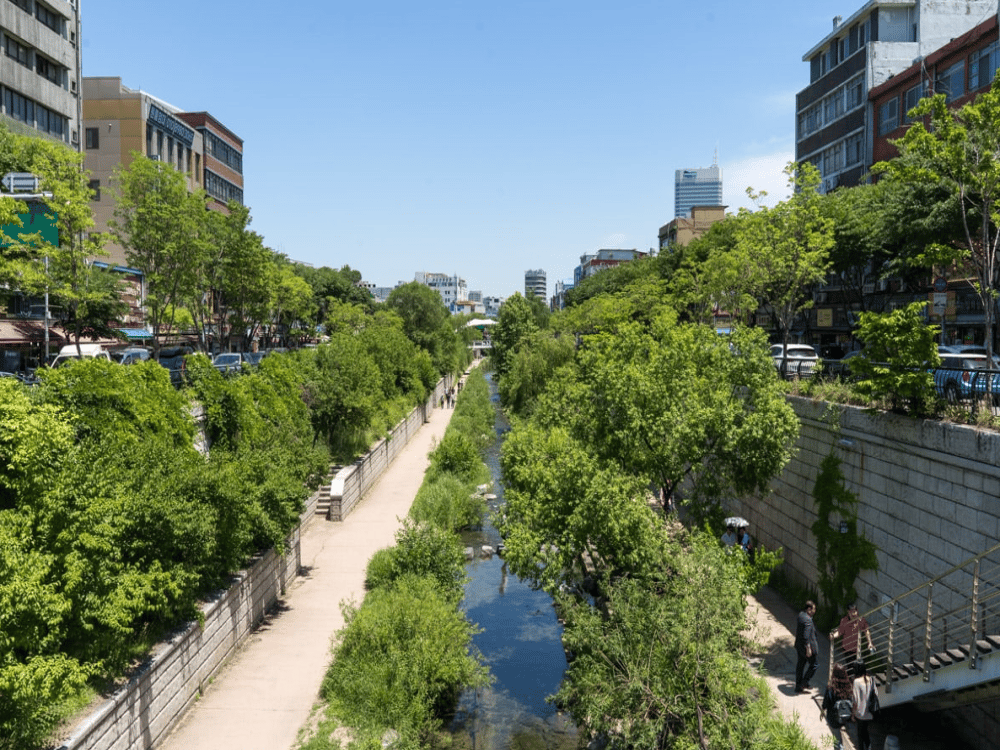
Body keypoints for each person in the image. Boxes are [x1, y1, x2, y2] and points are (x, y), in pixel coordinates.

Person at [821, 663, 855, 750]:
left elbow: (825, 703)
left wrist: (822, 711)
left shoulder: (831, 688)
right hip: (845, 716)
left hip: (833, 717)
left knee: (837, 740)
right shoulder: (848, 686)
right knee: (839, 737)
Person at [831, 602, 874, 667]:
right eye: (852, 612)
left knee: (856, 666)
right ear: (848, 612)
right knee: (850, 667)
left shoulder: (860, 620)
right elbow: (840, 631)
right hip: (847, 649)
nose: (854, 613)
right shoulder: (844, 620)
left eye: (855, 611)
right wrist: (833, 636)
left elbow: (866, 631)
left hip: (856, 649)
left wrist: (870, 642)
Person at [794, 600, 819, 693]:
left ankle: (798, 686)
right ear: (809, 609)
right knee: (814, 665)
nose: (814, 611)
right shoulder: (808, 620)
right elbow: (806, 636)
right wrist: (808, 648)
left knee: (800, 665)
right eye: (814, 609)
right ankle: (804, 683)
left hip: (799, 646)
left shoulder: (801, 615)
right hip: (806, 647)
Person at [852, 659, 875, 750]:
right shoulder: (871, 679)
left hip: (860, 713)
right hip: (869, 713)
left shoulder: (856, 682)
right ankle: (869, 748)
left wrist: (853, 714)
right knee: (865, 732)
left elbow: (855, 701)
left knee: (860, 736)